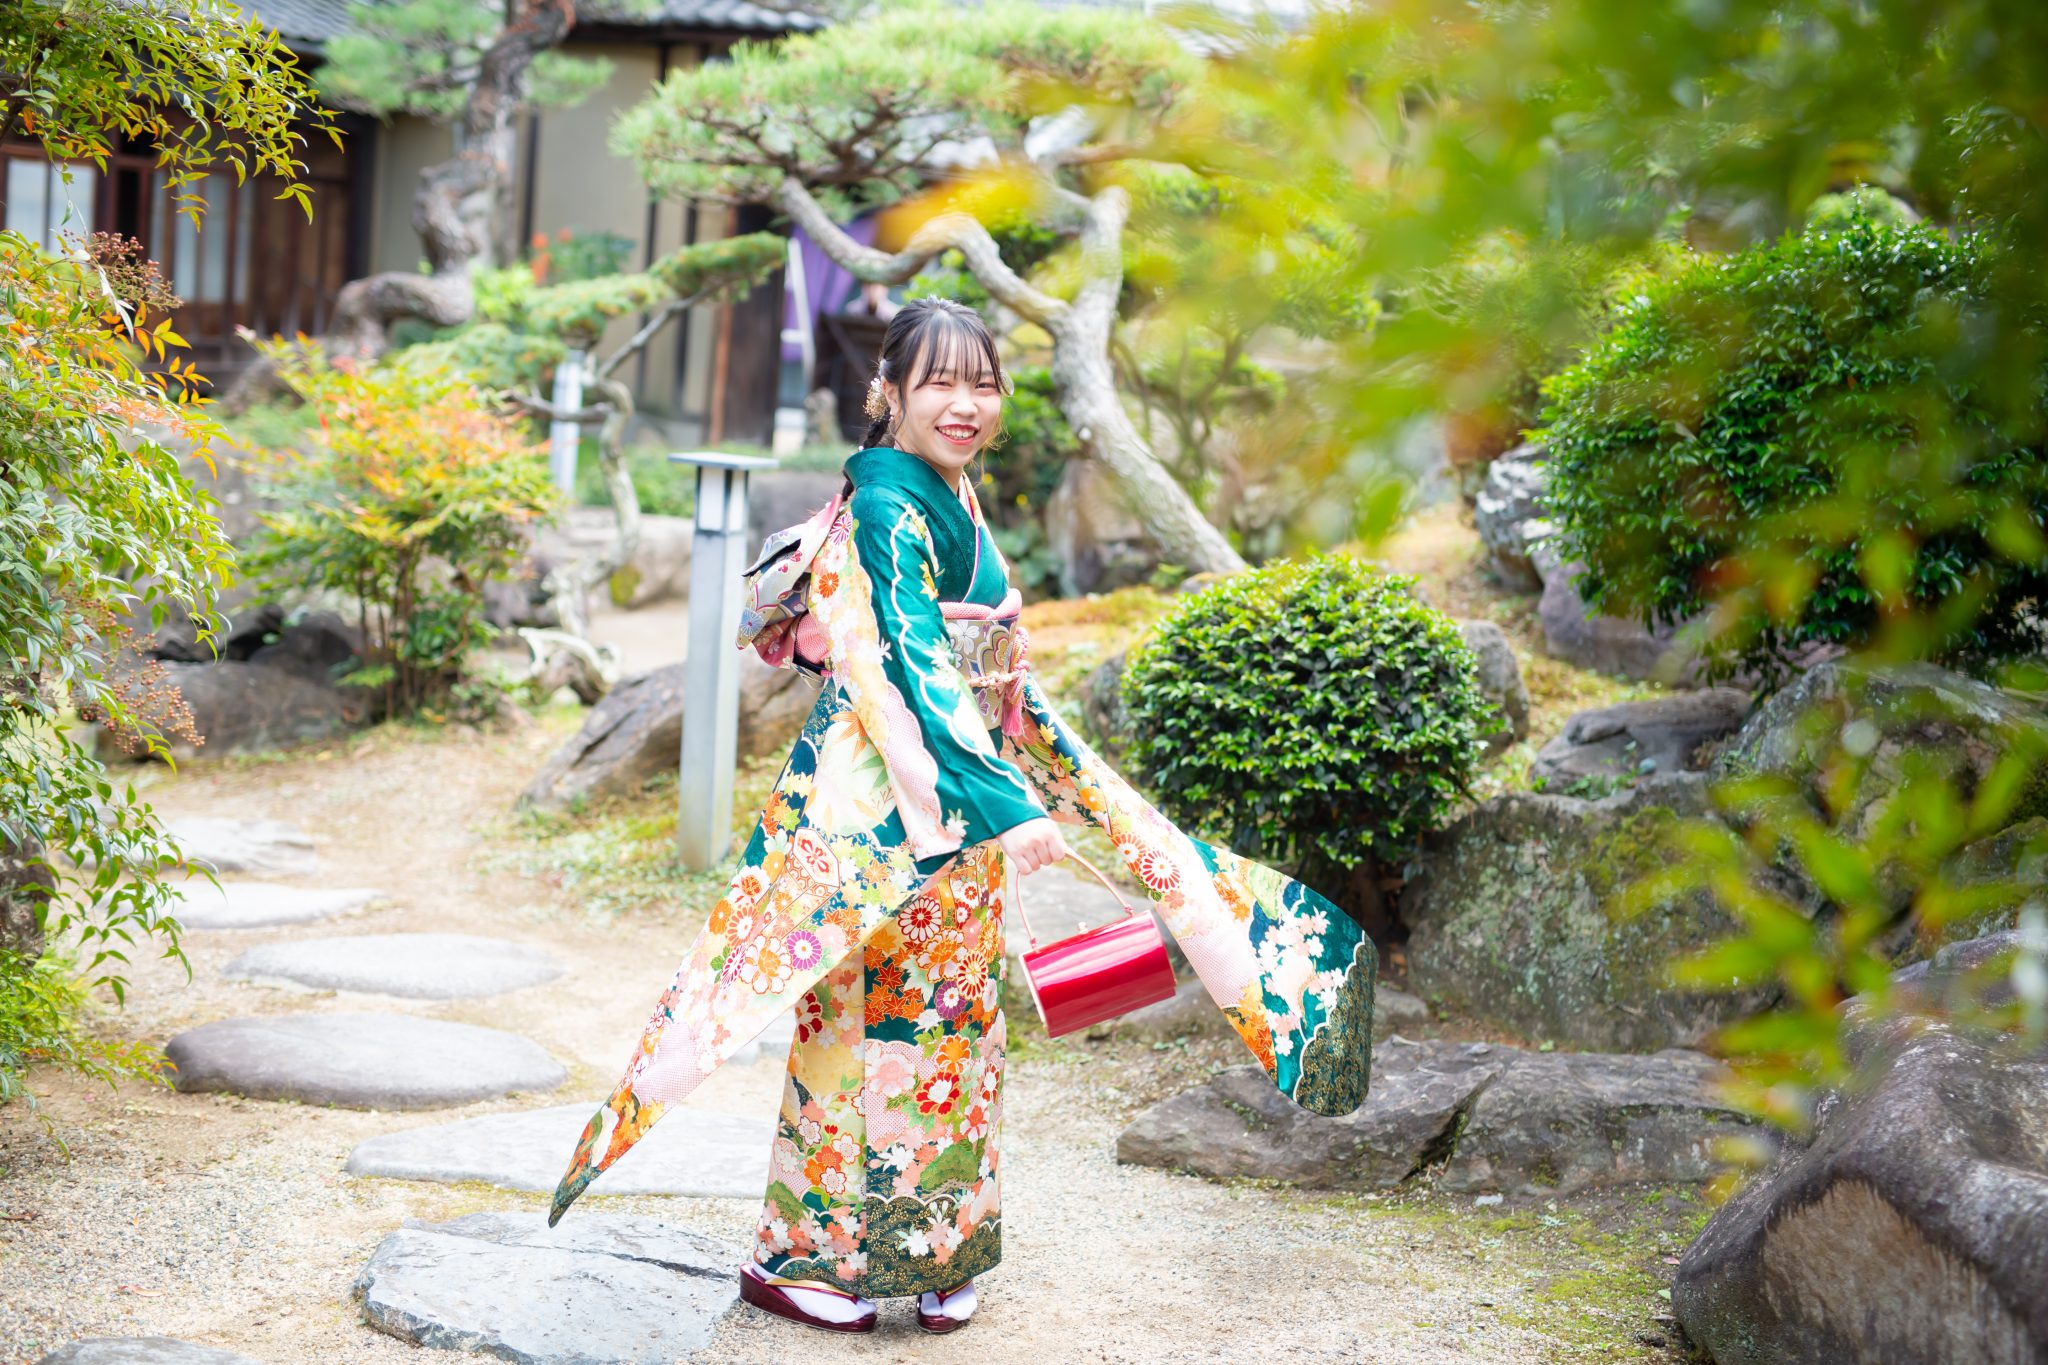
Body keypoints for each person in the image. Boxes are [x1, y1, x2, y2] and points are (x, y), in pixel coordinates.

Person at [545, 297, 1377, 1336]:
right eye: (939, 381)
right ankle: (806, 1260)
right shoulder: (887, 504)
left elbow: (972, 657)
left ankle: (933, 1251)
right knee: (850, 1019)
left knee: (951, 1021)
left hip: (954, 785)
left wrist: (1005, 773)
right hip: (878, 797)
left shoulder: (946, 491)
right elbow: (910, 657)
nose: (965, 403)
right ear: (885, 391)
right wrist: (1002, 800)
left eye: (983, 382)